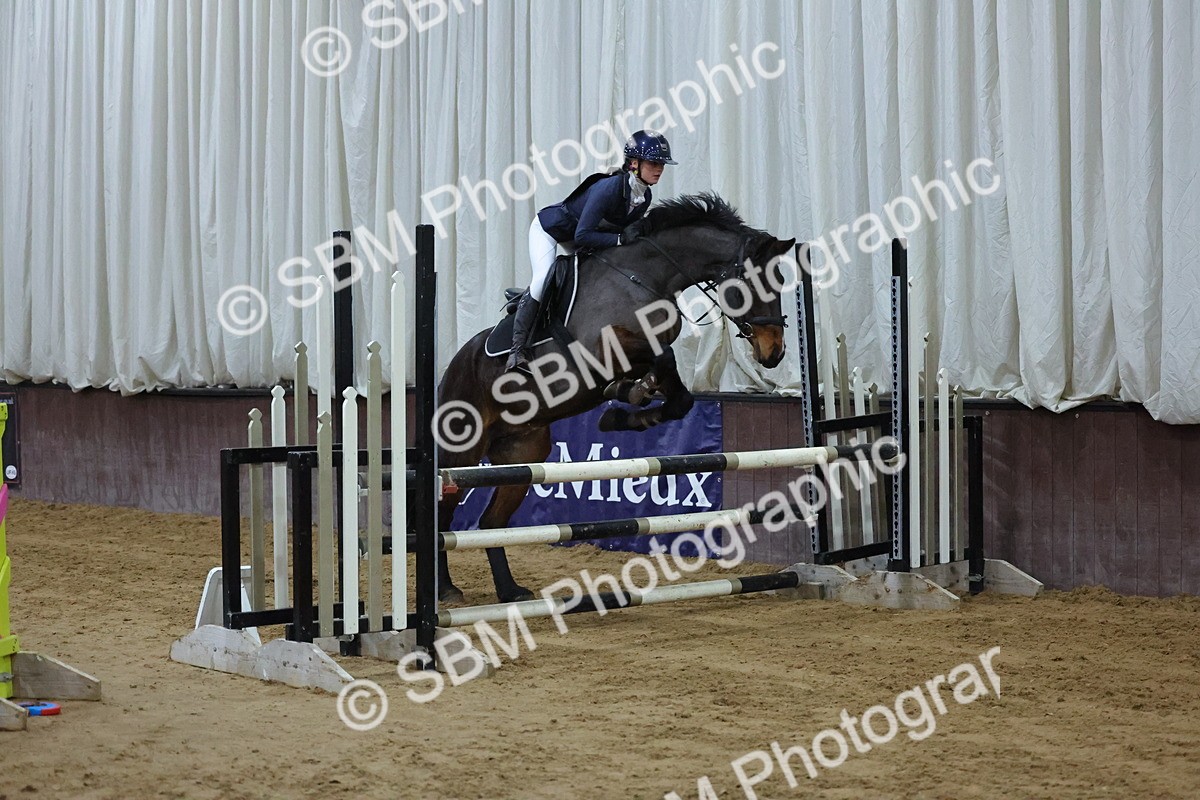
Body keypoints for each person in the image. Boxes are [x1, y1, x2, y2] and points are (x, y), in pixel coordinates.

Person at [506, 129, 677, 373]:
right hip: (551, 230)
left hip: (583, 237)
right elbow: (582, 235)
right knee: (543, 279)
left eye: (661, 164)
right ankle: (517, 350)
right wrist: (620, 239)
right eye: (653, 163)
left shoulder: (644, 197)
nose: (659, 169)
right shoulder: (608, 189)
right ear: (634, 163)